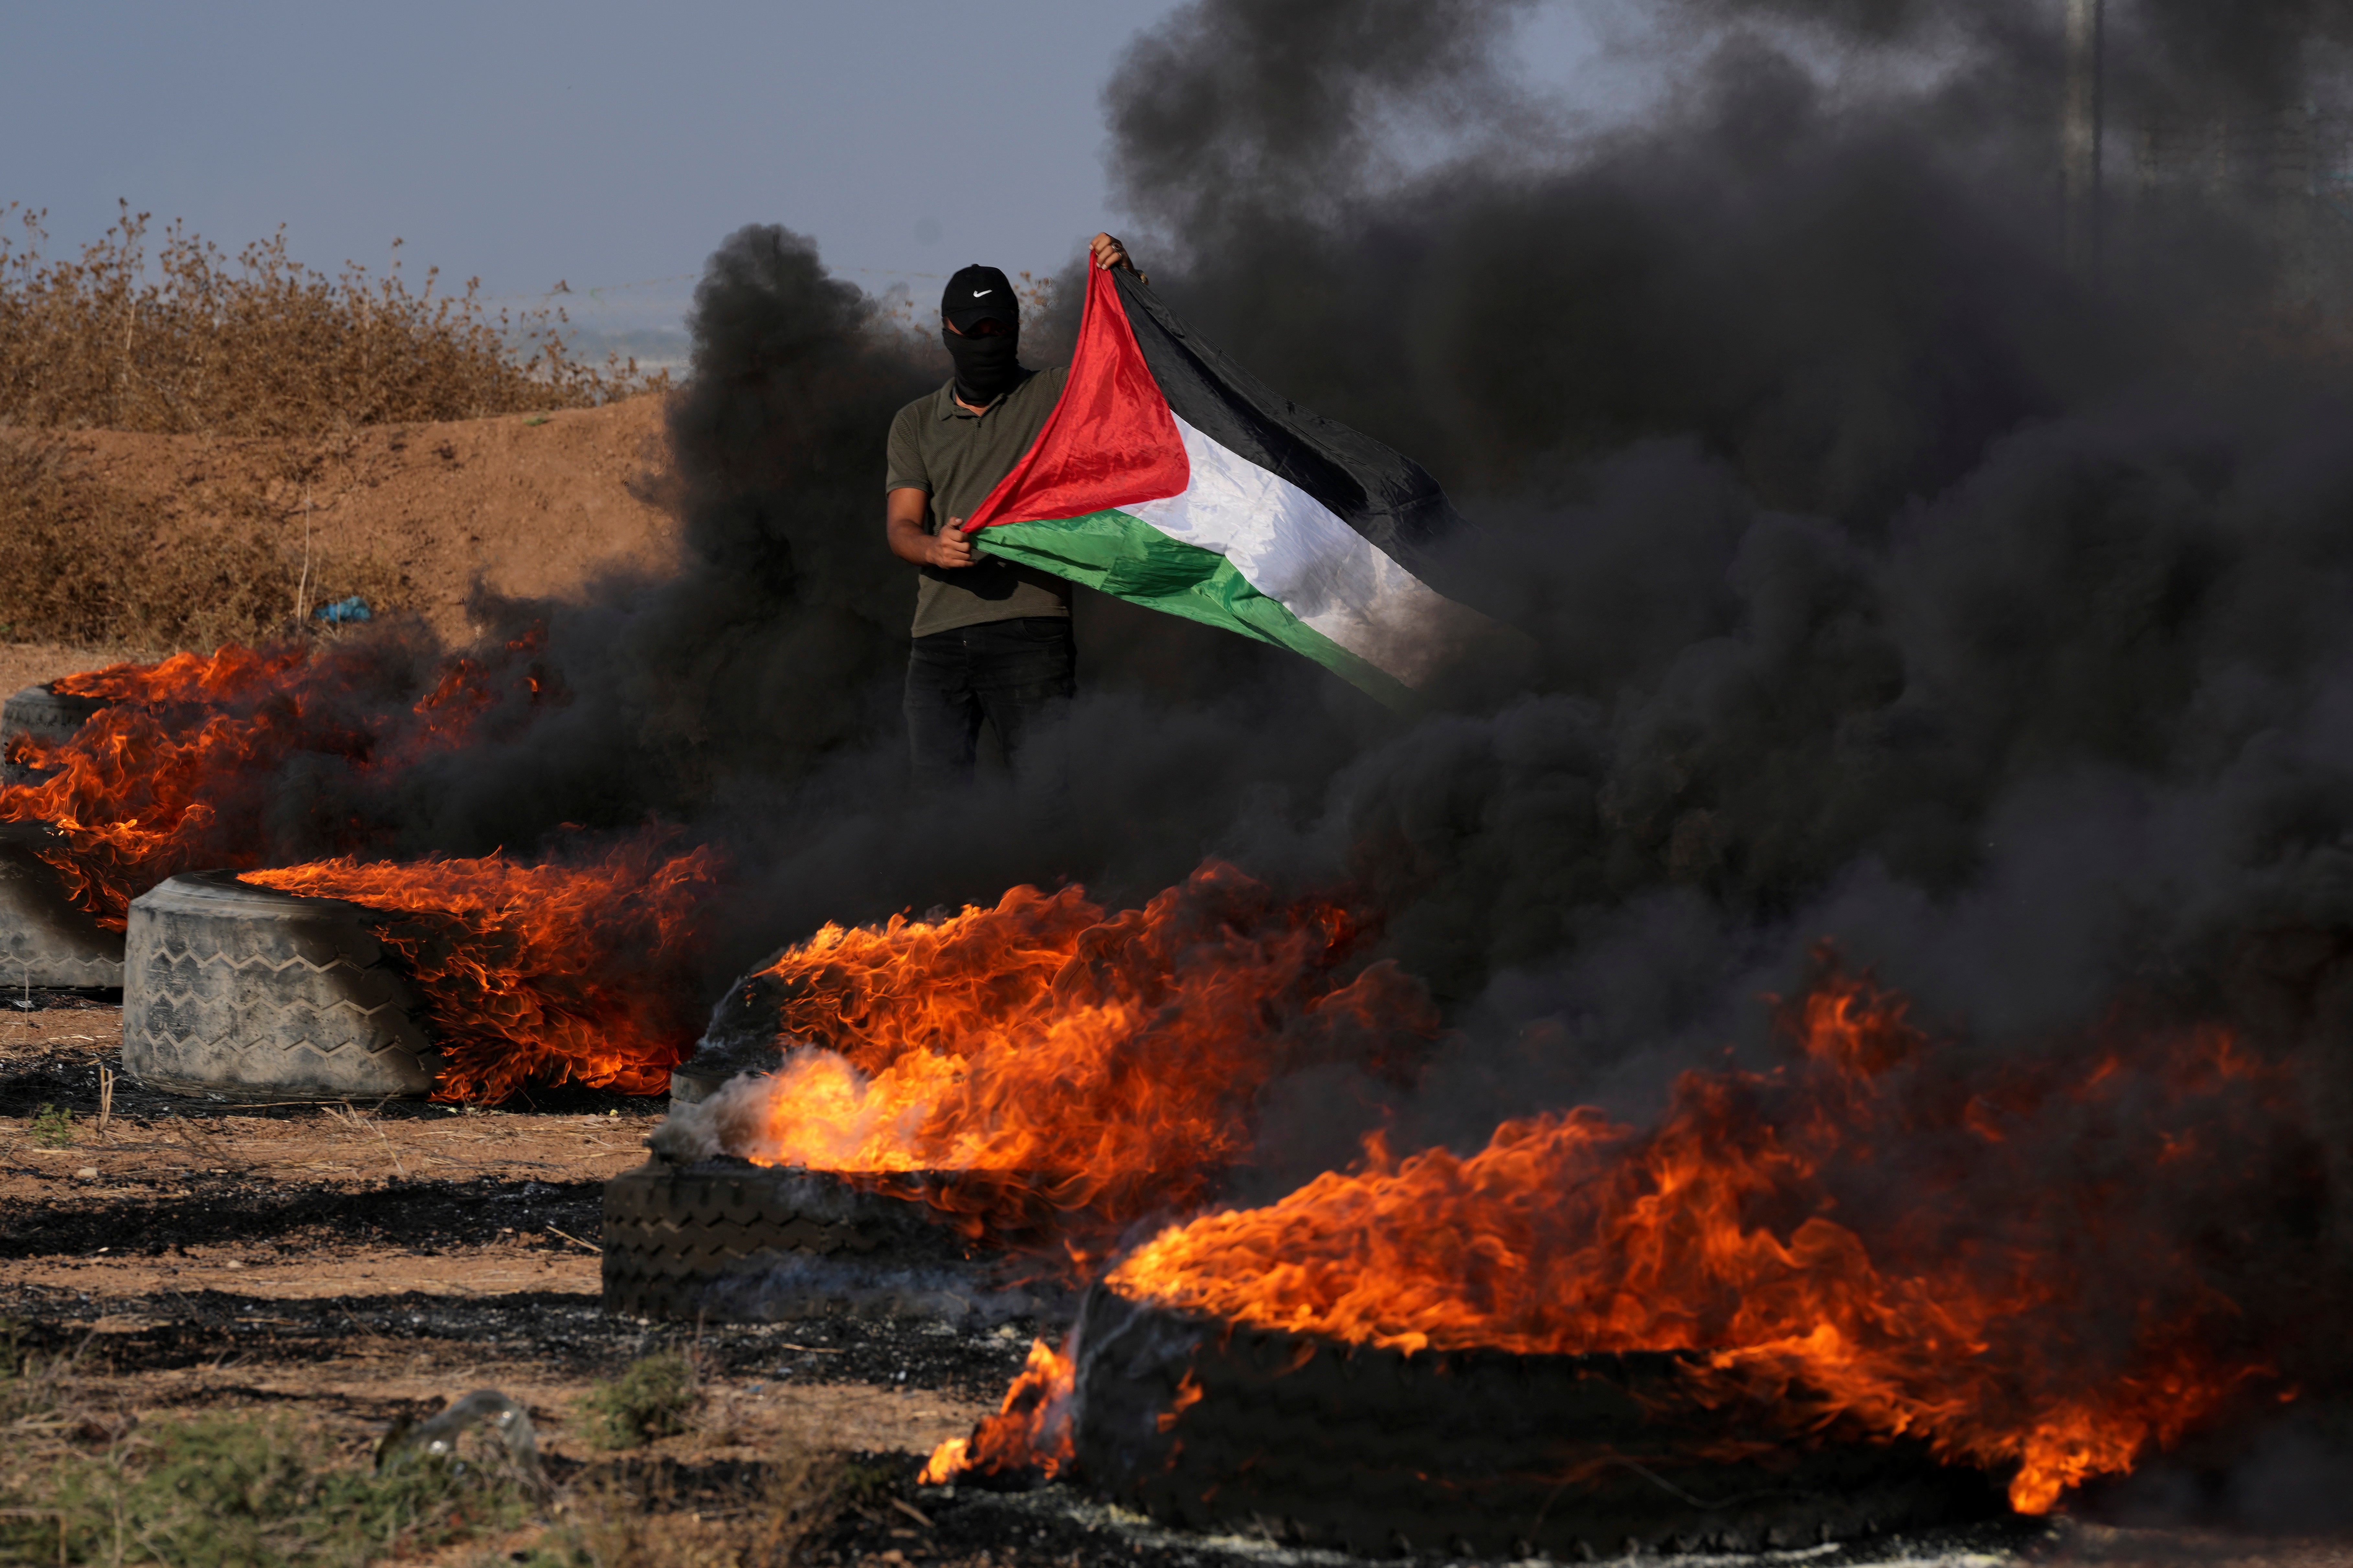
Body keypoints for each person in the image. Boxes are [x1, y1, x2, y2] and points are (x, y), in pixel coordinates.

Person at [884, 232, 1136, 794]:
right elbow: (902, 527)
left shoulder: (1053, 396)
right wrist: (934, 548)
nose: (987, 341)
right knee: (937, 806)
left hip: (1031, 631)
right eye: (973, 332)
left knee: (1047, 799)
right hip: (938, 641)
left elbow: (1128, 369)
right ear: (948, 332)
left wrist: (1126, 284)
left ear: (1016, 328)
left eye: (998, 329)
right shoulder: (915, 423)